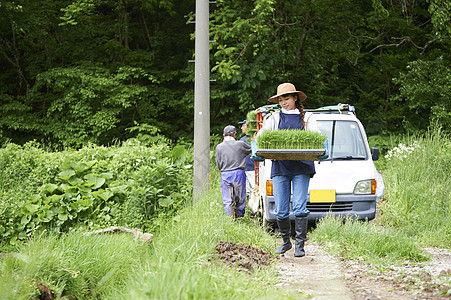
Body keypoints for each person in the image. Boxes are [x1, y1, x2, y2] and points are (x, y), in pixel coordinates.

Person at [253, 82, 328, 257]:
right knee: (280, 210)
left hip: (302, 167)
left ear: (295, 98)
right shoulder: (274, 118)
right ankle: (286, 242)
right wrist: (256, 147)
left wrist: (323, 148)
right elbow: (263, 136)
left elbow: (316, 137)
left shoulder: (307, 117)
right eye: (280, 99)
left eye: (286, 98)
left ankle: (300, 245)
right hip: (280, 167)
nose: (283, 102)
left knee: (300, 208)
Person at [215, 125, 252, 217]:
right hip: (238, 173)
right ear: (234, 134)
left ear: (224, 135)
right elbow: (251, 150)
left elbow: (218, 164)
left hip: (225, 173)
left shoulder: (219, 147)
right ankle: (239, 217)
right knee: (240, 198)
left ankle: (230, 219)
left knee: (227, 199)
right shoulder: (240, 144)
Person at [238, 120, 255, 198]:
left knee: (255, 190)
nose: (241, 128)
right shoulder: (241, 140)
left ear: (249, 127)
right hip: (244, 169)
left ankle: (257, 208)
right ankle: (249, 208)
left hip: (254, 169)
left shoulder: (255, 138)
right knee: (246, 191)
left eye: (243, 126)